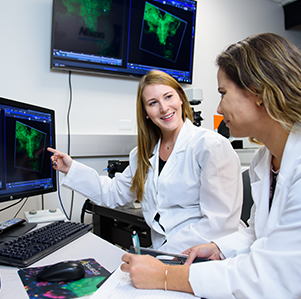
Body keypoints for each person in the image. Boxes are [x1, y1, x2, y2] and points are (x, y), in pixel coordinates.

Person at [120, 33, 301, 298]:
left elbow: (273, 276)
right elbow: (258, 234)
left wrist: (166, 275)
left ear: (258, 92)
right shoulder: (265, 160)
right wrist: (217, 247)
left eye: (223, 93)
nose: (219, 106)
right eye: (152, 103)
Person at [48, 70, 243, 254]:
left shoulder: (210, 145)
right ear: (146, 113)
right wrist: (70, 168)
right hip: (165, 254)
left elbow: (219, 224)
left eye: (168, 97)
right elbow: (113, 193)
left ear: (181, 99)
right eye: (153, 103)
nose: (164, 108)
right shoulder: (142, 154)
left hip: (205, 256)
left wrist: (161, 257)